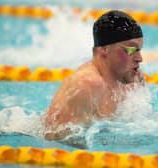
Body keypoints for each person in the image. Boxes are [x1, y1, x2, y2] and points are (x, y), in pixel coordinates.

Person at [42, 10, 144, 140]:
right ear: (104, 49)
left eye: (139, 49)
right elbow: (57, 143)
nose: (139, 58)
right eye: (131, 49)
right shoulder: (86, 85)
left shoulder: (134, 79)